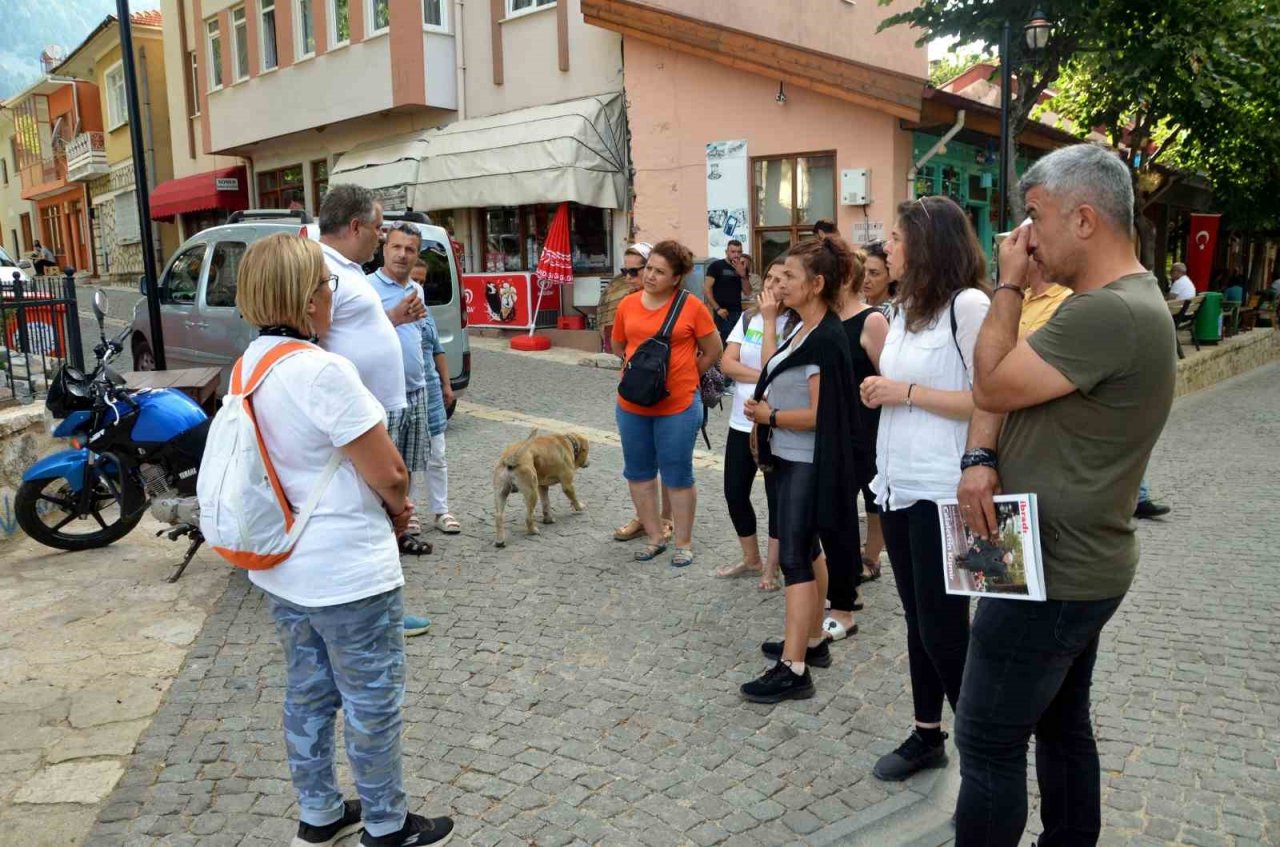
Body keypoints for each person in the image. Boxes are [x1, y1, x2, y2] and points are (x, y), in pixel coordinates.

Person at [955, 143, 1176, 847]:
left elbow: (989, 382)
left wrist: (1008, 284)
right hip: (1068, 561)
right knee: (1061, 723)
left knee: (986, 739)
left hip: (1052, 571)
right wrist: (982, 455)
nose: (1025, 237)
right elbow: (1008, 390)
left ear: (1084, 219)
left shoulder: (1107, 313)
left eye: (1036, 217)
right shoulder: (1116, 305)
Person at [233, 233, 454, 847]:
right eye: (328, 287)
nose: (332, 297)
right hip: (345, 569)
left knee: (307, 693)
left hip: (284, 565)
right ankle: (386, 824)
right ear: (308, 301)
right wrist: (399, 510)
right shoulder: (322, 370)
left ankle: (320, 811)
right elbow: (389, 471)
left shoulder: (251, 364)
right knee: (371, 701)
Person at [861, 195, 990, 781]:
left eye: (895, 235)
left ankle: (985, 750)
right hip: (899, 486)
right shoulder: (906, 307)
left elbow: (990, 398)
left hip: (949, 491)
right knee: (918, 621)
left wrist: (902, 393)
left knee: (945, 627)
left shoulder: (969, 305)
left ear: (926, 243)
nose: (886, 246)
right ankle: (926, 735)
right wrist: (882, 387)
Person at [739, 237, 861, 703]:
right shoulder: (802, 328)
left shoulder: (827, 337)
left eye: (789, 276)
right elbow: (774, 368)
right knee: (807, 550)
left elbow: (821, 414)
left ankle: (794, 669)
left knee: (793, 556)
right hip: (790, 456)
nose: (779, 283)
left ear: (817, 284)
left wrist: (770, 417)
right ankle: (810, 642)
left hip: (807, 460)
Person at [318, 184, 430, 636]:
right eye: (380, 228)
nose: (383, 239)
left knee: (379, 513)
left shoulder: (345, 269)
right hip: (355, 418)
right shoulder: (324, 270)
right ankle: (378, 616)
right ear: (356, 226)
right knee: (374, 512)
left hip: (374, 412)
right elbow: (316, 341)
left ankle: (379, 611)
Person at [614, 240, 722, 568]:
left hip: (677, 406)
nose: (650, 276)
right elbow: (619, 345)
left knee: (677, 475)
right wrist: (643, 376)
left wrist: (686, 375)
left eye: (660, 272)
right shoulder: (628, 305)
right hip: (632, 405)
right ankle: (654, 537)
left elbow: (713, 349)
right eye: (649, 268)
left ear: (676, 278)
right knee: (639, 473)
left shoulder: (691, 307)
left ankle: (684, 543)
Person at [715, 259, 795, 591]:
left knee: (775, 497)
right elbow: (726, 362)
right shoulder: (749, 318)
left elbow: (772, 363)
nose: (772, 286)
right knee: (734, 491)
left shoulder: (795, 323)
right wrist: (760, 377)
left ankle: (772, 568)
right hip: (740, 421)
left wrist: (773, 319)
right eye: (770, 279)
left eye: (781, 280)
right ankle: (751, 558)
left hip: (773, 423)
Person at [826, 247, 889, 640]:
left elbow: (888, 376)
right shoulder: (825, 320)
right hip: (834, 428)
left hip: (870, 426)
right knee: (836, 506)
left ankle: (870, 558)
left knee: (873, 497)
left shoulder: (873, 319)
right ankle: (845, 574)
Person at [608, 244, 676, 544]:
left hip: (672, 394)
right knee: (639, 461)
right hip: (636, 394)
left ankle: (667, 519)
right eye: (626, 271)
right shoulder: (627, 302)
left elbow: (707, 348)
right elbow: (617, 345)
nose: (632, 276)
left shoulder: (678, 303)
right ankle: (644, 517)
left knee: (670, 460)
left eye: (636, 270)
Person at [405, 256, 460, 536]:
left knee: (437, 454)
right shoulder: (392, 312)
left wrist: (447, 385)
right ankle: (409, 511)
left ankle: (441, 510)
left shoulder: (427, 316)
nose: (418, 286)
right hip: (406, 394)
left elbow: (438, 350)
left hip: (432, 392)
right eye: (413, 280)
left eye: (423, 282)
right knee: (408, 457)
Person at [703, 239, 752, 344]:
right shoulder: (716, 266)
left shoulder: (742, 267)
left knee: (738, 342)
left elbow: (748, 292)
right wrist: (717, 309)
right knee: (724, 343)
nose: (736, 255)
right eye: (733, 252)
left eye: (739, 252)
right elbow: (707, 288)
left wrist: (743, 275)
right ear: (726, 252)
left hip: (737, 312)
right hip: (722, 313)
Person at [861, 240, 896, 315]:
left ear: (890, 276)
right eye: (862, 271)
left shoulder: (896, 313)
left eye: (873, 273)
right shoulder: (855, 306)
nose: (865, 280)